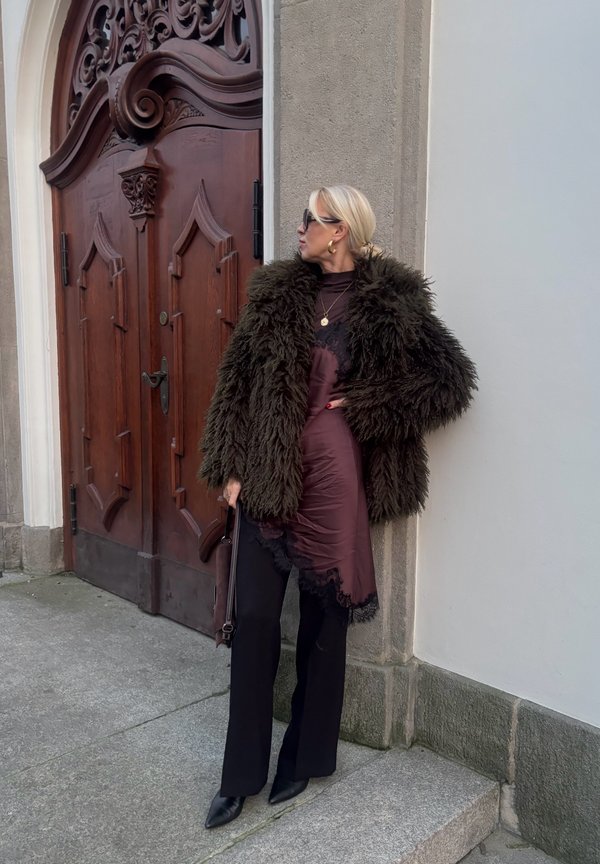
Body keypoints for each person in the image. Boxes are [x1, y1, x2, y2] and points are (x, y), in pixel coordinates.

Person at [199, 185, 477, 829]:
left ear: (341, 230)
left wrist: (371, 401)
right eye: (302, 218)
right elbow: (235, 382)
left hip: (336, 475)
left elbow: (449, 381)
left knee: (325, 625)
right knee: (256, 619)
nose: (299, 228)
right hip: (270, 467)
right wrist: (231, 467)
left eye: (310, 220)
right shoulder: (277, 293)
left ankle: (303, 759)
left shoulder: (391, 301)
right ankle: (239, 776)